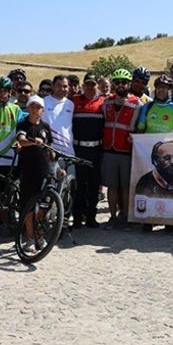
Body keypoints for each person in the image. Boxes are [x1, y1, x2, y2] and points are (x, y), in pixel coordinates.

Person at [136, 75, 173, 232]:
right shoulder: (147, 108)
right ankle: (148, 219)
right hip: (150, 153)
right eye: (159, 87)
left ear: (170, 90)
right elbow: (141, 129)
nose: (162, 90)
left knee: (170, 184)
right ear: (155, 89)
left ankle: (168, 221)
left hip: (168, 153)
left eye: (165, 87)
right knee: (151, 185)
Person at [101, 69, 143, 231]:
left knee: (125, 187)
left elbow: (141, 127)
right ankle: (112, 217)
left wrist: (136, 136)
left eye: (124, 82)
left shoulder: (137, 103)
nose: (120, 85)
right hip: (109, 150)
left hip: (126, 150)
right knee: (112, 186)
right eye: (117, 82)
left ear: (129, 83)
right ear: (113, 83)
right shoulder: (106, 102)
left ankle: (125, 217)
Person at [16, 96, 54, 251]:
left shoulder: (45, 126)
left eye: (38, 107)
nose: (34, 109)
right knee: (29, 206)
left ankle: (40, 235)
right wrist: (33, 141)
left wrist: (53, 159)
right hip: (27, 170)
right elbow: (21, 139)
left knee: (44, 206)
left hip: (44, 170)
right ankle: (30, 238)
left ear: (42, 110)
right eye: (32, 106)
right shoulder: (23, 124)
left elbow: (50, 146)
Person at [71, 73, 105, 229]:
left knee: (93, 184)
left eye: (93, 84)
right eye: (88, 84)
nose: (90, 87)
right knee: (79, 185)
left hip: (96, 149)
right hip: (78, 149)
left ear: (97, 85)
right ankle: (77, 218)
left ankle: (91, 217)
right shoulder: (74, 101)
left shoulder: (103, 102)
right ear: (83, 85)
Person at [42, 75, 75, 157]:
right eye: (59, 86)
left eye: (65, 86)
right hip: (49, 150)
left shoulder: (71, 104)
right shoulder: (43, 102)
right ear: (52, 87)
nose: (62, 89)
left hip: (68, 151)